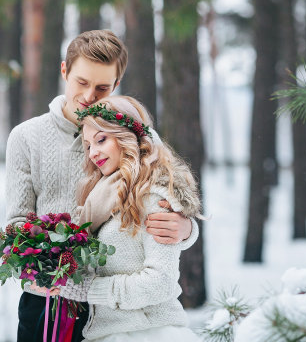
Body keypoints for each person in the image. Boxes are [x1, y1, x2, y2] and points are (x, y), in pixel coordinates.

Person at [4, 30, 199, 341]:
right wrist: (42, 264)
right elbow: (16, 226)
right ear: (64, 70)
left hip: (114, 312)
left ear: (116, 85)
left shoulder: (134, 133)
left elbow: (162, 201)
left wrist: (186, 229)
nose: (89, 96)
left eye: (102, 88)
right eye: (81, 82)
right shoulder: (27, 137)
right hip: (48, 302)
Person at [57, 95, 203, 342]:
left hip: (147, 333)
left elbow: (160, 283)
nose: (93, 152)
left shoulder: (153, 197)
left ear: (125, 136)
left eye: (101, 139)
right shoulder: (100, 197)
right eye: (88, 145)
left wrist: (90, 289)